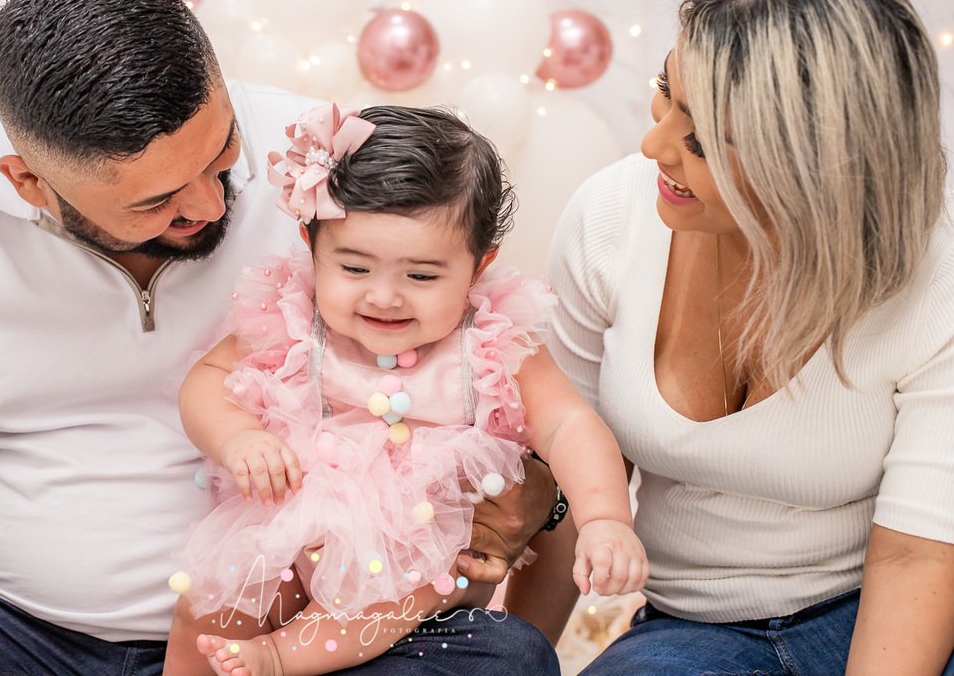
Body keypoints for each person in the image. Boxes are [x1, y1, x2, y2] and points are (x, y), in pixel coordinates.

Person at [0, 0, 564, 676]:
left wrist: (535, 491)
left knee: (504, 658)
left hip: (291, 640)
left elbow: (492, 362)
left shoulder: (329, 166)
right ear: (29, 181)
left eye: (222, 155)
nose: (209, 204)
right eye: (156, 202)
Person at [539, 0, 954, 675]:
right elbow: (563, 478)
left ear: (815, 170)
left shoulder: (939, 267)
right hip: (696, 629)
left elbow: (918, 556)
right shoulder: (610, 216)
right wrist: (512, 653)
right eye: (665, 91)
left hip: (899, 604)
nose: (653, 144)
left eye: (701, 141)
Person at [164, 104, 646, 675]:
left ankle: (279, 657)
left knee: (405, 576)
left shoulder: (489, 340)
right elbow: (208, 380)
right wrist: (237, 436)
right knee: (210, 599)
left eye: (421, 276)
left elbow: (568, 424)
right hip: (294, 526)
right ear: (311, 246)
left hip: (421, 548)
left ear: (478, 266)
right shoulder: (292, 318)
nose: (385, 297)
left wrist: (605, 518)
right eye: (355, 269)